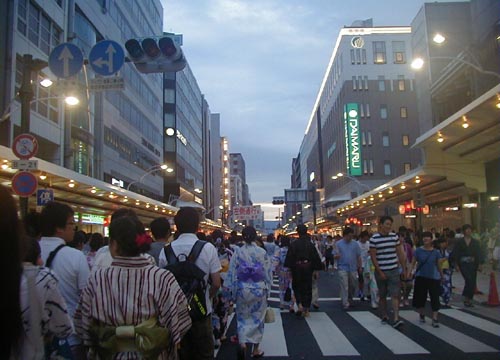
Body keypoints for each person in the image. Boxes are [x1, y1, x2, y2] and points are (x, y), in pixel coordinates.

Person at [74, 215, 191, 359]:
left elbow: (82, 325)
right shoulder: (162, 278)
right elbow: (181, 322)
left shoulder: (97, 279)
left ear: (114, 244)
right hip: (152, 354)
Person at [158, 207, 221, 360]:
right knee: (204, 353)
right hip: (201, 311)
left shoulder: (165, 251)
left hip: (175, 314)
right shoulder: (208, 248)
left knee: (180, 354)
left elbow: (161, 284)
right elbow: (216, 283)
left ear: (176, 226)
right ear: (197, 225)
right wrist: (206, 296)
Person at [39, 201, 90, 359]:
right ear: (58, 227)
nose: (73, 228)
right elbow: (86, 297)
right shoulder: (76, 256)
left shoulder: (30, 249)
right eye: (71, 223)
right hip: (70, 338)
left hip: (35, 338)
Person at [226, 226, 272, 359]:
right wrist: (267, 287)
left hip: (242, 288)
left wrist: (231, 290)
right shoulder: (261, 252)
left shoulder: (238, 252)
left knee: (242, 317)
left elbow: (233, 272)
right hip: (258, 288)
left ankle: (243, 343)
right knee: (258, 318)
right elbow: (267, 271)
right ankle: (256, 349)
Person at [369, 216, 407, 329]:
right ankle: (384, 314)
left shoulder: (394, 237)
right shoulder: (374, 239)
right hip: (381, 270)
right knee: (383, 294)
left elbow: (400, 252)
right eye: (387, 224)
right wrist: (379, 271)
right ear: (380, 224)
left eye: (390, 224)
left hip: (394, 269)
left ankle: (396, 317)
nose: (389, 226)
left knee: (395, 294)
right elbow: (373, 257)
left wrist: (403, 268)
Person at [284, 224, 323, 317]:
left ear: (298, 232)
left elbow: (290, 258)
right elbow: (315, 257)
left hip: (297, 267)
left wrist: (289, 269)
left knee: (297, 286)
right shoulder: (310, 245)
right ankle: (306, 308)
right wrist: (316, 270)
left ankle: (300, 304)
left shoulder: (294, 244)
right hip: (308, 267)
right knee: (307, 287)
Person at [411, 231, 443, 327]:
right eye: (424, 237)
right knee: (421, 297)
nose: (425, 239)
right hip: (421, 277)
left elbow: (439, 265)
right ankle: (422, 313)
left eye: (427, 237)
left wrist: (442, 275)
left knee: (435, 297)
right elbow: (413, 262)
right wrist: (409, 272)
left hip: (434, 277)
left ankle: (435, 318)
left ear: (431, 239)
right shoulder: (418, 251)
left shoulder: (436, 252)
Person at [452, 224, 484, 307]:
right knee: (468, 279)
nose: (468, 231)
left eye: (470, 229)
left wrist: (480, 264)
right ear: (464, 231)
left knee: (472, 281)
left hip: (473, 263)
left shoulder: (475, 242)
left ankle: (468, 298)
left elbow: (479, 253)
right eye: (467, 229)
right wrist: (455, 264)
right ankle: (466, 297)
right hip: (463, 263)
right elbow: (456, 253)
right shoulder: (459, 242)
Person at [334, 227, 362, 310]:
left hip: (353, 267)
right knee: (344, 285)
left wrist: (360, 266)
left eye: (352, 236)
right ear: (345, 236)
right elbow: (334, 255)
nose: (350, 238)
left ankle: (350, 297)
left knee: (353, 284)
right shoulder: (338, 244)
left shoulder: (355, 244)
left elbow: (358, 256)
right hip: (342, 267)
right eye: (349, 236)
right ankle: (345, 302)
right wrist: (336, 256)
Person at [273, 236, 294, 312]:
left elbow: (276, 260)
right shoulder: (292, 250)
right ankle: (291, 305)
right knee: (291, 287)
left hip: (282, 271)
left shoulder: (279, 250)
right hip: (291, 271)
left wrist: (273, 270)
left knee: (282, 288)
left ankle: (282, 303)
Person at [437, 237, 452, 307]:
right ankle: (440, 297)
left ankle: (447, 299)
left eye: (445, 243)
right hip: (438, 270)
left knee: (447, 285)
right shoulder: (437, 251)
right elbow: (437, 261)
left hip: (446, 269)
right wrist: (444, 259)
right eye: (442, 243)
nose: (444, 244)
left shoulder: (447, 251)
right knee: (440, 285)